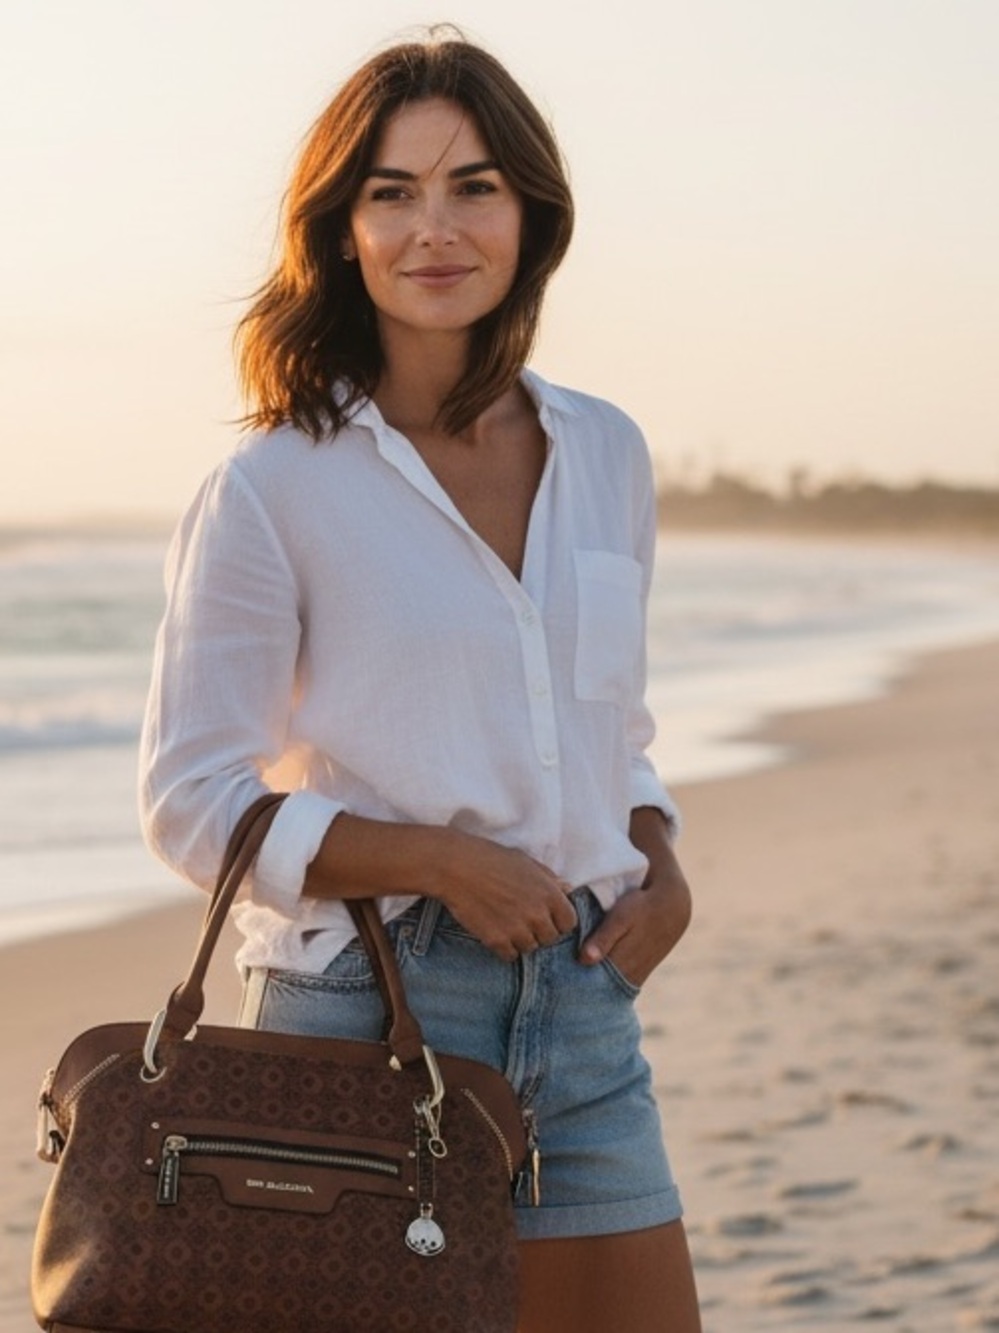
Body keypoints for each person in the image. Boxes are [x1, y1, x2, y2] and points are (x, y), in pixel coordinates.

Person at [139, 32, 701, 1333]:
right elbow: (191, 799)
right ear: (341, 228)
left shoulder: (607, 452)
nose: (433, 228)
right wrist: (446, 863)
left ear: (531, 214)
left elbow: (613, 730)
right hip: (363, 1006)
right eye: (392, 192)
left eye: (474, 187)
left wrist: (661, 863)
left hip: (585, 1000)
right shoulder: (275, 486)